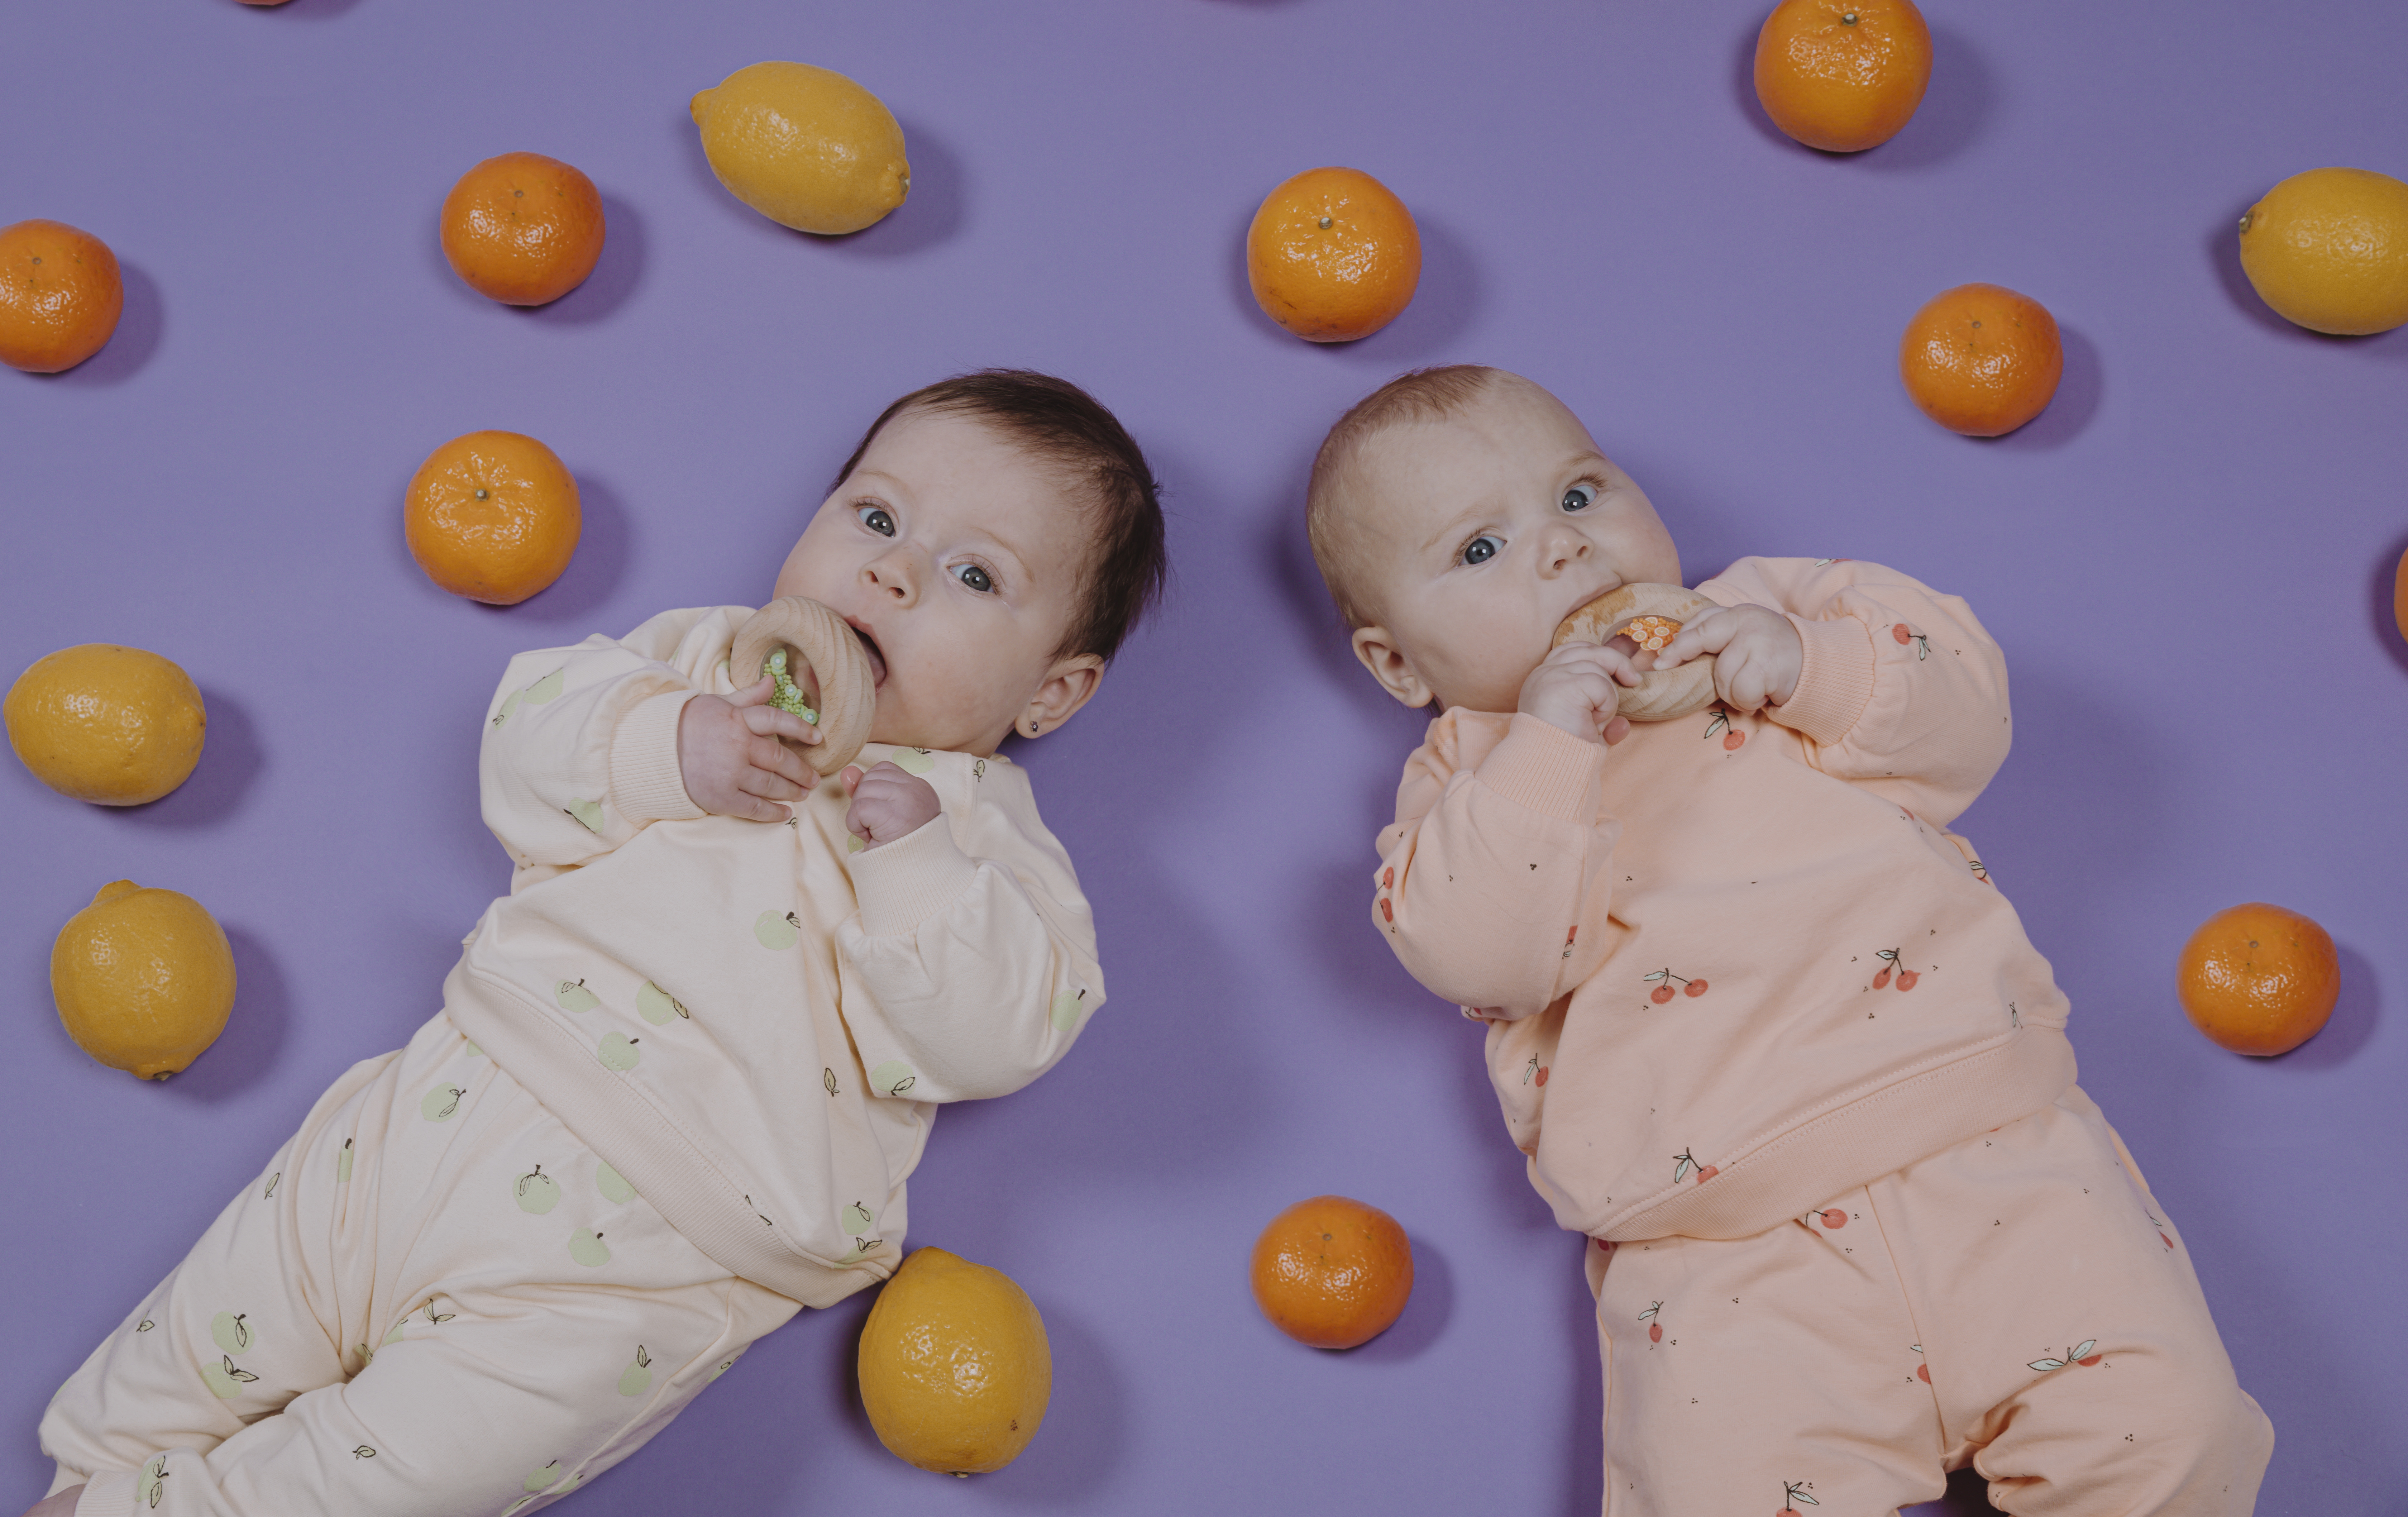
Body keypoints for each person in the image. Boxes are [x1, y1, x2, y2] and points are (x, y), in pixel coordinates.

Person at [30, 369, 1167, 1517]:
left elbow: (1004, 1035)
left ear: (1055, 694)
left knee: (396, 1474)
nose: (894, 572)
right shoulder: (709, 665)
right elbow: (526, 742)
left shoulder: (981, 839)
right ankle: (89, 1478)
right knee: (222, 1316)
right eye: (875, 518)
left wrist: (914, 869)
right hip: (459, 1095)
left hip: (651, 1256)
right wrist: (676, 745)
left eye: (974, 576)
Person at [1305, 363, 2270, 1516]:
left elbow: (1967, 708)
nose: (1563, 551)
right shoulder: (1470, 784)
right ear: (1399, 665)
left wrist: (1812, 664)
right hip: (1724, 1260)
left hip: (1998, 1153)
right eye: (1479, 551)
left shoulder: (1766, 610)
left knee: (2175, 1435)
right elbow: (1484, 958)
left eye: (1578, 495)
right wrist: (1551, 744)